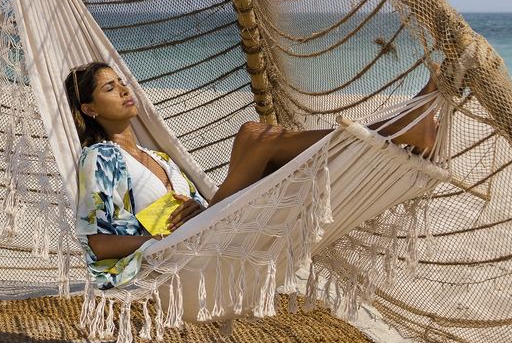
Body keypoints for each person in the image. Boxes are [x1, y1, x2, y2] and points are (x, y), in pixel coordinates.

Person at [64, 61, 440, 289]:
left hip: (205, 231)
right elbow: (99, 245)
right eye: (110, 89)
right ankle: (399, 124)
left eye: (123, 83)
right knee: (254, 137)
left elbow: (191, 207)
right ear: (90, 108)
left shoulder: (154, 154)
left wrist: (194, 212)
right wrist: (158, 235)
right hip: (172, 254)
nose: (124, 91)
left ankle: (399, 125)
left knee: (262, 135)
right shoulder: (99, 158)